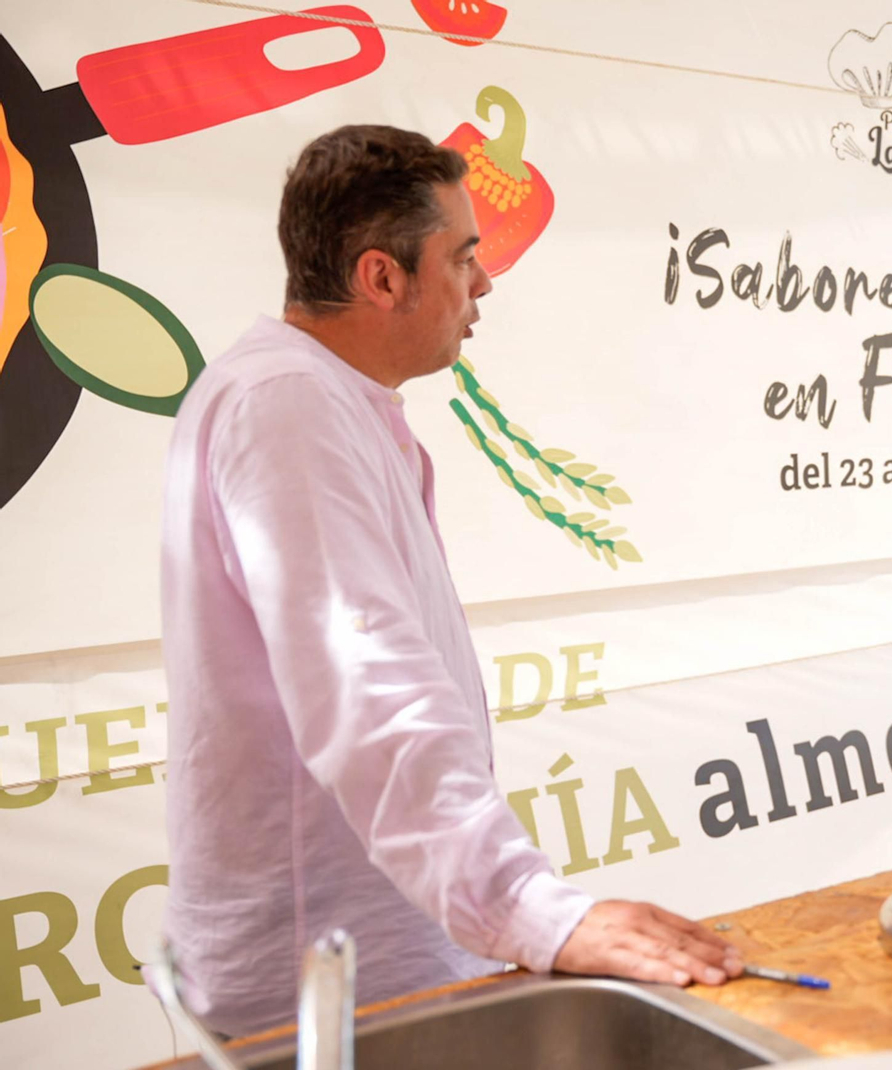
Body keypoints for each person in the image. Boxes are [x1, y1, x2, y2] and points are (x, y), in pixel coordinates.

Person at [159, 125, 740, 1038]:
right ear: (382, 277)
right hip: (326, 983)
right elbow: (366, 682)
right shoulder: (287, 404)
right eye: (465, 257)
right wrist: (531, 909)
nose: (485, 284)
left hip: (373, 959)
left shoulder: (324, 398)